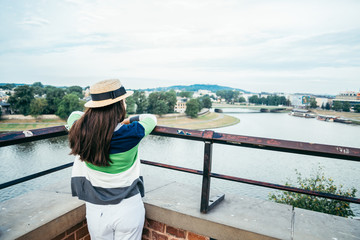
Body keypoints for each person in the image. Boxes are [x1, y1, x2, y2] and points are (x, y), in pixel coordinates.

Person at [67, 79, 157, 240]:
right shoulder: (132, 132)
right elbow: (151, 118)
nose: (125, 103)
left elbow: (74, 115)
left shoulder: (79, 131)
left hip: (96, 211)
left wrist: (92, 119)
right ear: (119, 105)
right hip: (129, 208)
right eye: (123, 101)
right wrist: (127, 120)